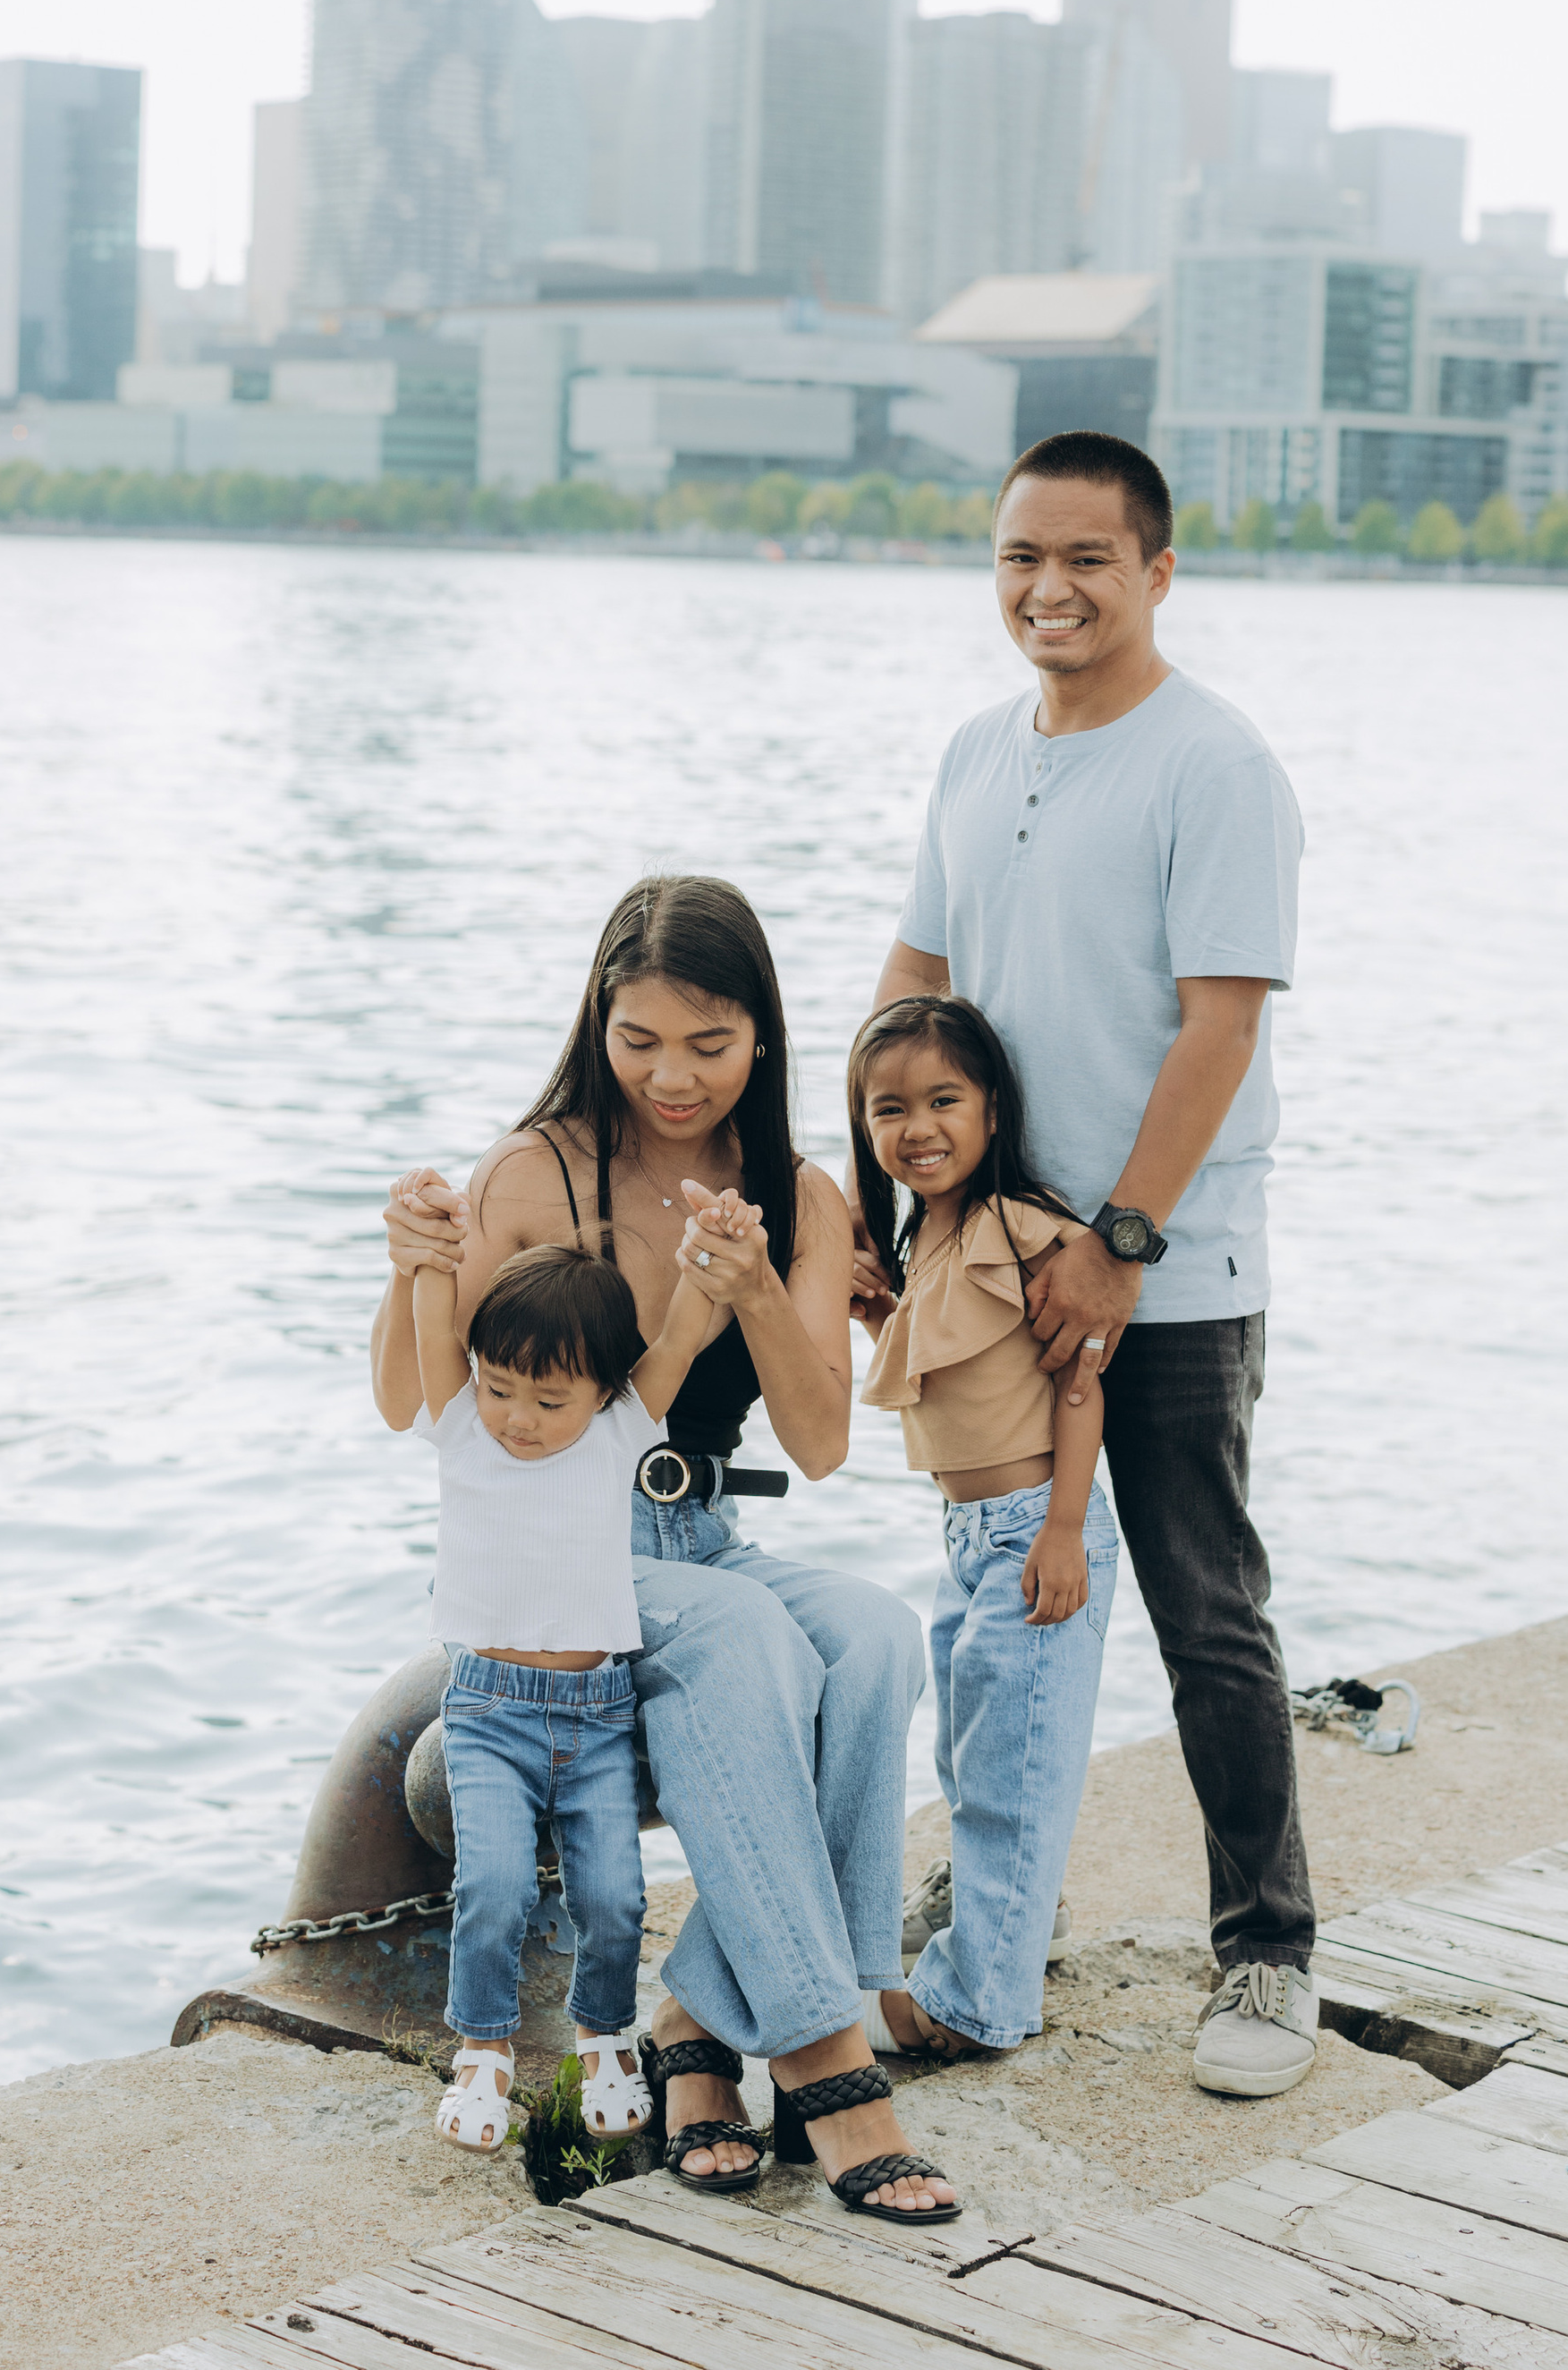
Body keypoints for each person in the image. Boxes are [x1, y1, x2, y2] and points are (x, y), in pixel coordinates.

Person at [374, 874, 959, 2221]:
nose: (673, 1077)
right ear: (599, 1021)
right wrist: (403, 1261)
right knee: (746, 1635)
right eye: (640, 1042)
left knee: (873, 1634)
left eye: (710, 1043)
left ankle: (698, 2028)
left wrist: (753, 1284)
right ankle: (827, 2054)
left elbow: (820, 1441)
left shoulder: (797, 1197)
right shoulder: (537, 1171)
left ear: (762, 1033)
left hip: (704, 1538)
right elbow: (416, 1404)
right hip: (558, 1560)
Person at [870, 429, 1315, 2097]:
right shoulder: (980, 754)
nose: (1047, 591)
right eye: (1016, 561)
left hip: (1168, 1271)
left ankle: (1266, 1955)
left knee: (1207, 1612)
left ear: (1157, 573)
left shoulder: (1215, 765)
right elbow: (917, 981)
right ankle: (995, 1906)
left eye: (1086, 562)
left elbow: (1219, 1030)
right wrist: (883, 1214)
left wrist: (1122, 1246)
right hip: (993, 1270)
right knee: (998, 1606)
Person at [851, 993, 1117, 2060]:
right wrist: (882, 1311)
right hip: (968, 1541)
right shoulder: (935, 1237)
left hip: (1032, 1530)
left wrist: (1061, 1528)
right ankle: (1002, 1942)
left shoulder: (1020, 1226)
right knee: (974, 1759)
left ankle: (975, 2009)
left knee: (1013, 1774)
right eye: (888, 1109)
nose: (917, 1127)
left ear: (993, 1110)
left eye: (943, 1100)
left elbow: (1078, 1381)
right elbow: (949, 1362)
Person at [407, 1237, 707, 2148]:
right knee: (492, 1884)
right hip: (490, 1712)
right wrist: (426, 1244)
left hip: (597, 1717)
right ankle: (484, 2047)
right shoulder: (460, 1424)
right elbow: (431, 1319)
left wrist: (708, 1254)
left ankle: (602, 2035)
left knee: (614, 1895)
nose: (517, 1419)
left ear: (606, 1391)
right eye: (499, 1387)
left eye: (548, 1400)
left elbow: (686, 1330)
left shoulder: (621, 1428)